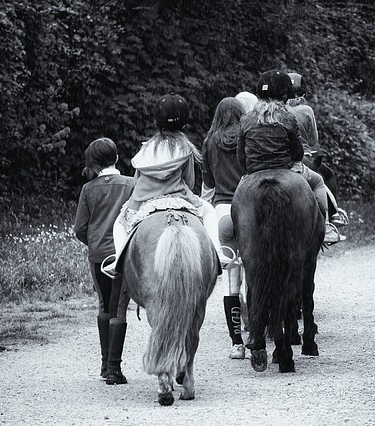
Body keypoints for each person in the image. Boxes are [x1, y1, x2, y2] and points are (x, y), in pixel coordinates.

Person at [101, 94, 232, 279]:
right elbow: (190, 182)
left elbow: (137, 180)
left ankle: (117, 261)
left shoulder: (145, 150)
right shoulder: (185, 148)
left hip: (145, 202)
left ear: (156, 121)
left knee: (119, 223)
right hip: (179, 198)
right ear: (184, 123)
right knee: (209, 211)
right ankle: (218, 253)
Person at [237, 70, 345, 244]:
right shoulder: (287, 117)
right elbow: (298, 154)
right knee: (318, 181)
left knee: (238, 198)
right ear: (284, 94)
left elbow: (241, 157)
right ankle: (325, 228)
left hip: (254, 172)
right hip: (286, 169)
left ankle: (237, 237)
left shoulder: (246, 119)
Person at [73, 137, 134, 385]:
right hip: (123, 256)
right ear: (117, 158)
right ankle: (114, 369)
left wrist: (94, 243)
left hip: (98, 256)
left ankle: (104, 364)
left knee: (103, 306)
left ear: (94, 164)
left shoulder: (88, 190)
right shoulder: (131, 184)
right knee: (119, 307)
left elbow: (80, 228)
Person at [202, 97, 248, 359]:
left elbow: (208, 187)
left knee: (231, 279)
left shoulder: (209, 143)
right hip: (247, 205)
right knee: (253, 275)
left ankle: (236, 343)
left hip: (222, 212)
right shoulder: (247, 138)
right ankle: (256, 333)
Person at [286, 72, 349, 227]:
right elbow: (314, 140)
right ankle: (331, 217)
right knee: (327, 176)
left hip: (281, 156)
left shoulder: (278, 109)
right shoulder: (306, 110)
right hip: (303, 156)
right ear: (303, 92)